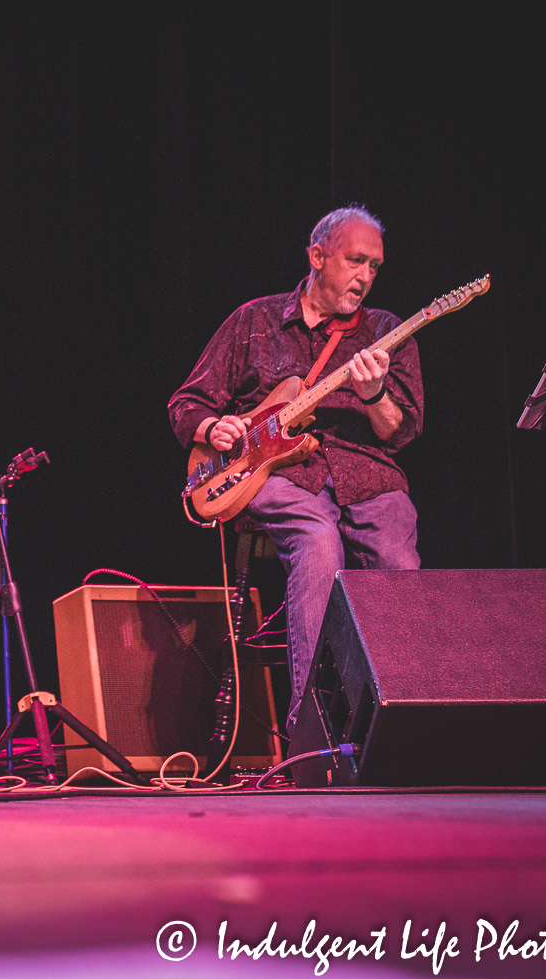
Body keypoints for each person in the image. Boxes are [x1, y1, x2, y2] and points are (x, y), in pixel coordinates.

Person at [168, 205, 423, 730]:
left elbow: (401, 432)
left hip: (367, 474)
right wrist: (212, 427)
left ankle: (398, 722)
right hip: (277, 474)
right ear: (317, 257)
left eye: (375, 266)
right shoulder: (254, 321)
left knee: (397, 555)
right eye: (356, 261)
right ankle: (309, 736)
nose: (366, 276)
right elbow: (186, 402)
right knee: (316, 540)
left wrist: (374, 394)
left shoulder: (385, 331)